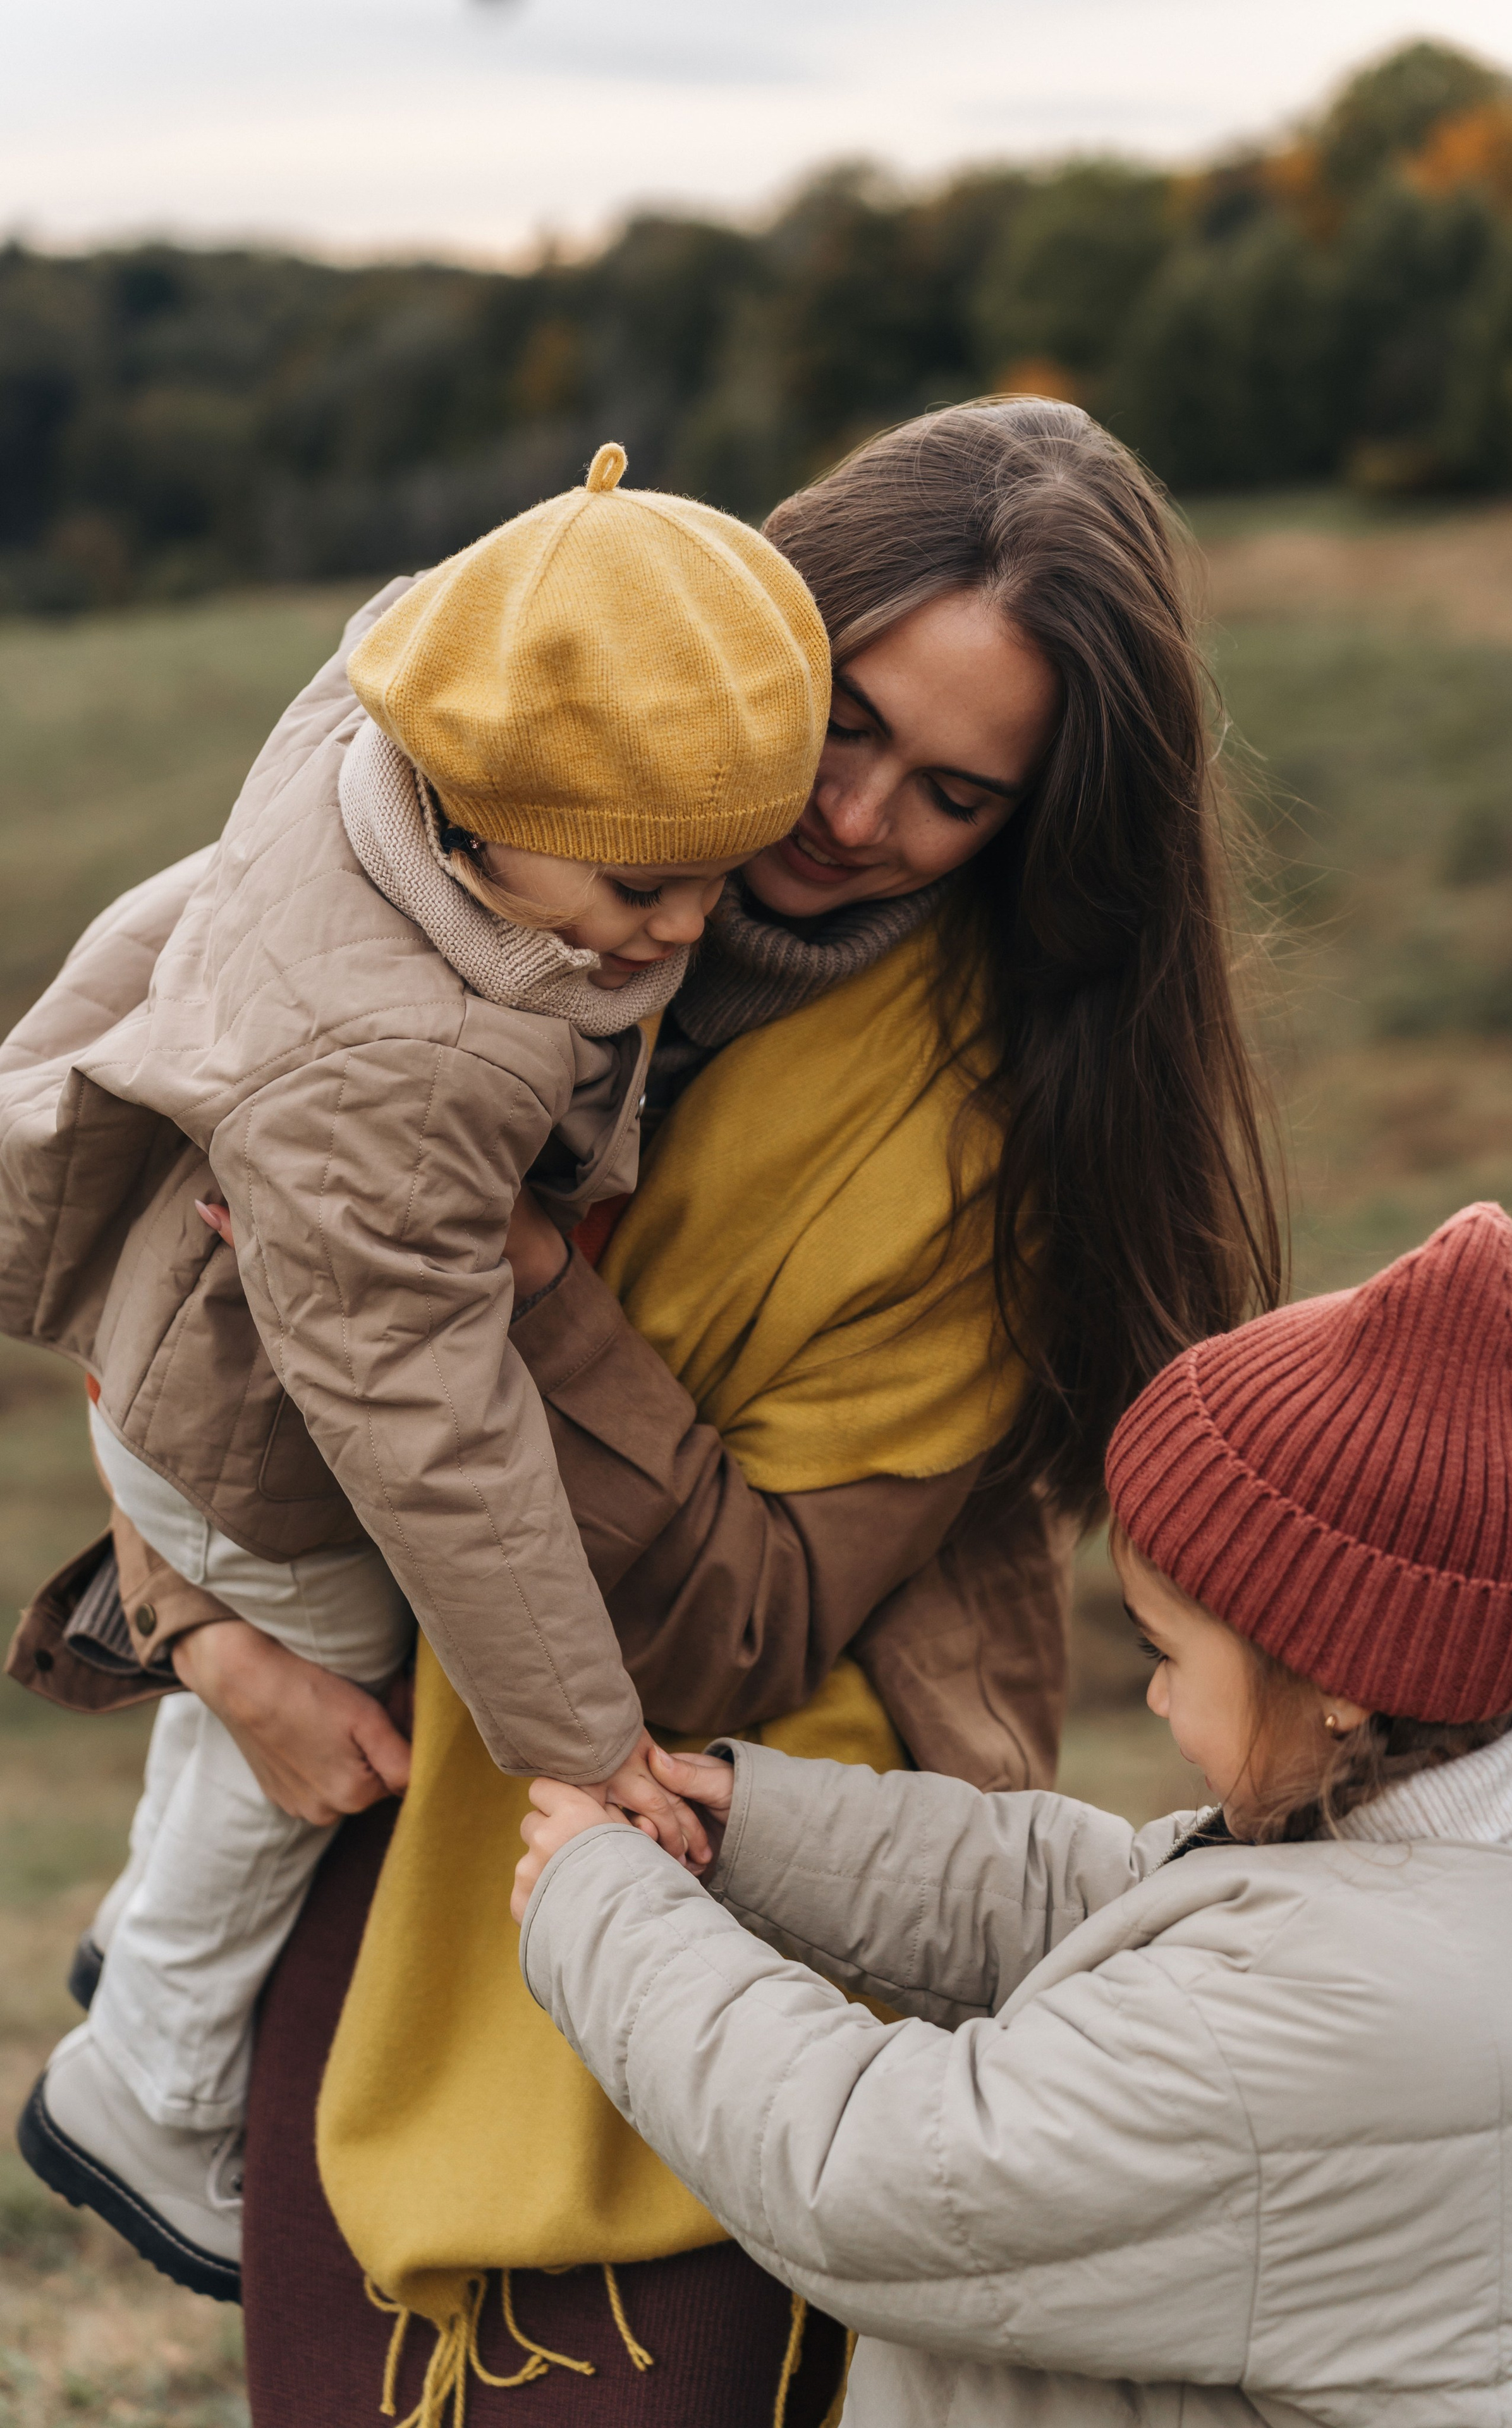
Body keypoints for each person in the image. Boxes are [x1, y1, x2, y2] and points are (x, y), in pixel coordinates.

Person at [9, 398, 1285, 2424]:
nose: (854, 818)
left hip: (734, 1890)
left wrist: (522, 1286)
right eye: (846, 722)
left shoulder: (986, 1142)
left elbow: (737, 1630)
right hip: (391, 1820)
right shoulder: (479, 872)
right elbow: (203, 1301)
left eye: (954, 796)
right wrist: (204, 1626)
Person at [3, 441, 829, 2299]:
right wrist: (581, 1741)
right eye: (640, 885)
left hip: (203, 1350)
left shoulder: (395, 690)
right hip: (260, 1439)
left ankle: (139, 1946)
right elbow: (429, 1435)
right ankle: (145, 2081)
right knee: (311, 1718)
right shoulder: (404, 1063)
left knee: (245, 1722)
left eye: (719, 875)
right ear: (474, 796)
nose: (685, 930)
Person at [513, 1202, 1512, 2428]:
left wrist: (602, 1908)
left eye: (1166, 1652)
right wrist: (757, 1825)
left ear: (1341, 1681)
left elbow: (875, 2173)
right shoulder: (1496, 1860)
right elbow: (1104, 1899)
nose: (1147, 1694)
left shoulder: (1325, 2025)